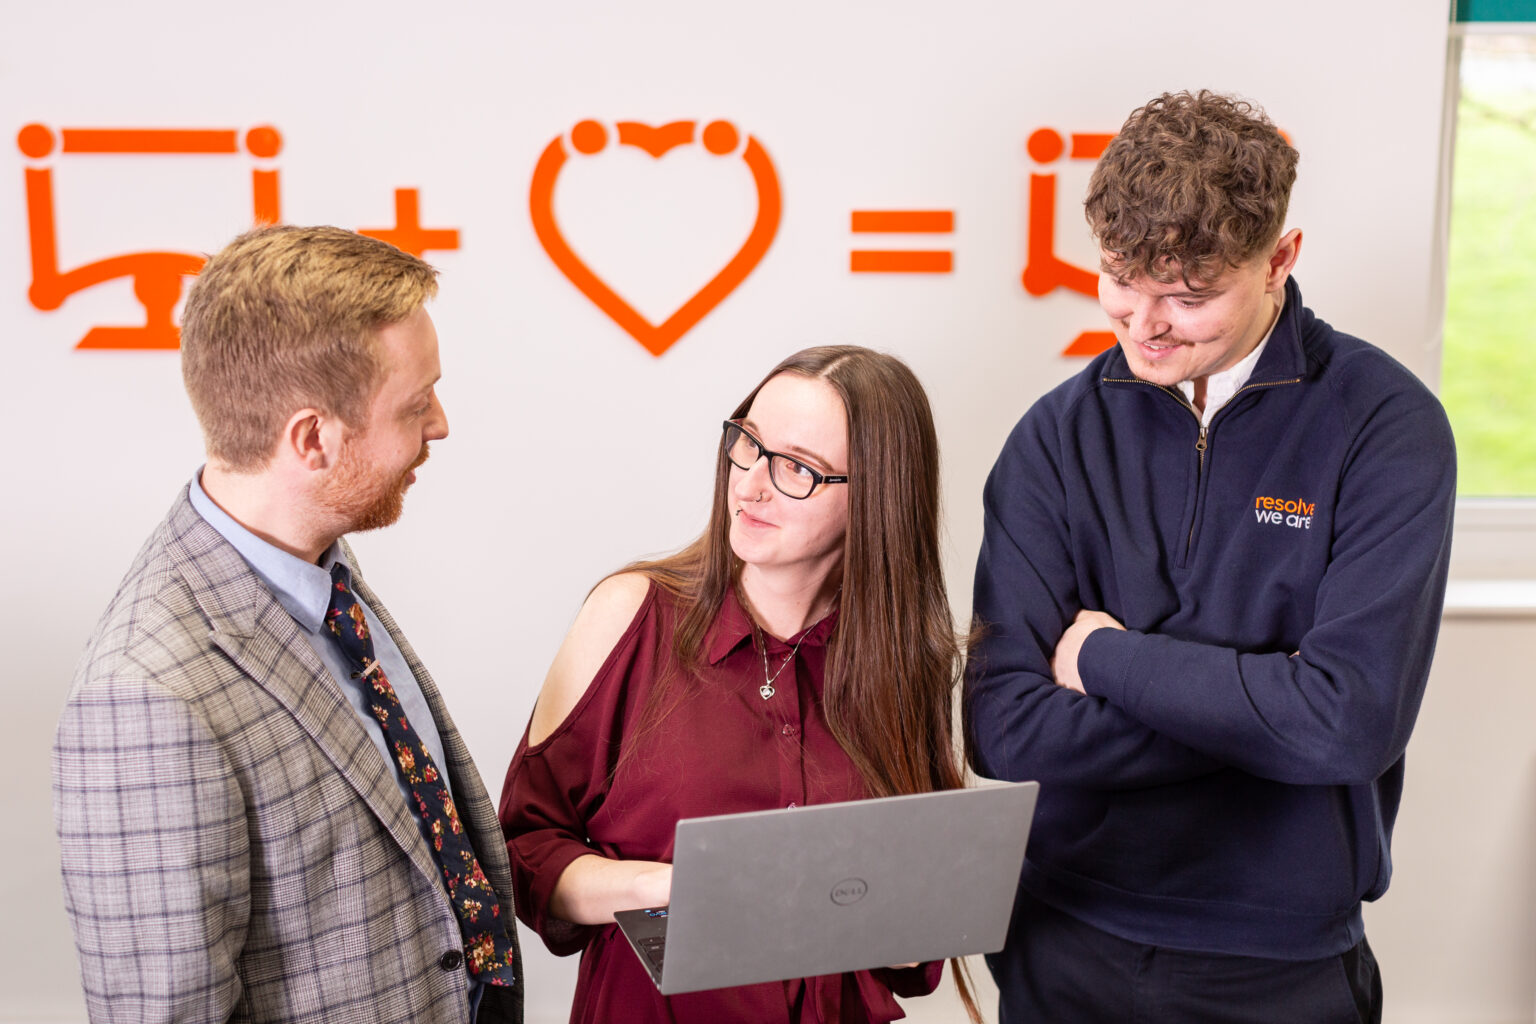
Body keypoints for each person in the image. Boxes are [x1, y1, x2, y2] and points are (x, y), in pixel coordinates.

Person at [964, 90, 1456, 1023]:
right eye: (1119, 279)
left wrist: (1110, 659)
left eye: (1188, 297)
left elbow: (1347, 726)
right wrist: (1267, 702)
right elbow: (1002, 726)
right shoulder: (1056, 439)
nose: (1143, 324)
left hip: (1283, 962)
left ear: (1281, 259)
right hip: (1063, 937)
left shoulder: (1387, 429)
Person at [53, 225, 523, 1024]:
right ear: (312, 439)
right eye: (415, 405)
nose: (439, 425)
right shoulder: (146, 696)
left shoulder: (315, 563)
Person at [499, 345, 973, 1024]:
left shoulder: (903, 662)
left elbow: (910, 935)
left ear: (876, 495)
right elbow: (523, 851)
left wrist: (901, 914)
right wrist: (663, 888)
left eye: (796, 470)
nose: (749, 484)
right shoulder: (631, 614)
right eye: (746, 444)